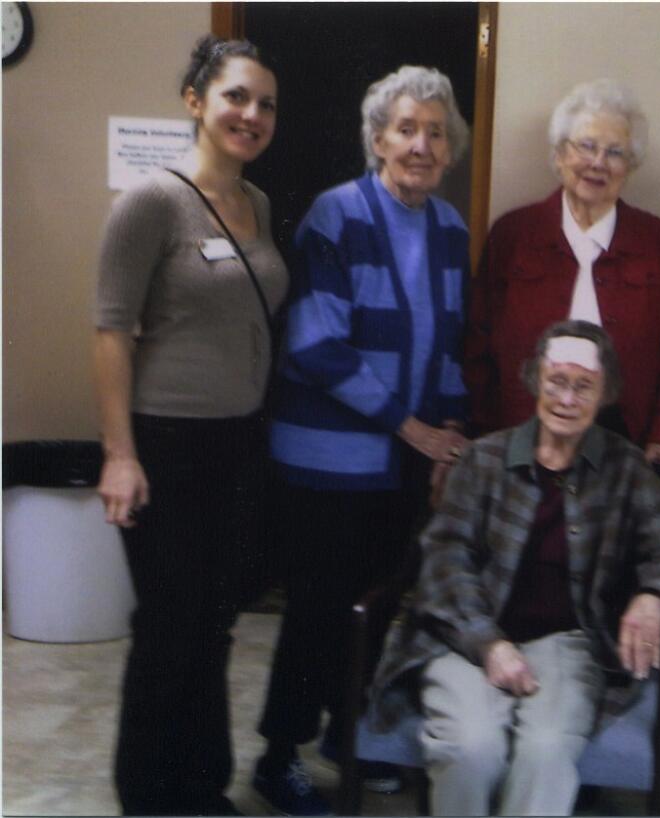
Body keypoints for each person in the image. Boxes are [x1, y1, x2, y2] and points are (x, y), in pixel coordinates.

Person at [370, 320, 660, 816]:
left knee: (546, 750)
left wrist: (653, 595)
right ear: (535, 381)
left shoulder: (625, 468)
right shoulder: (483, 460)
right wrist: (489, 643)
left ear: (605, 394)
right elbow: (444, 562)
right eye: (556, 381)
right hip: (464, 638)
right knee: (471, 748)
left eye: (583, 386)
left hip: (567, 644)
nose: (566, 399)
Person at [252, 65, 471, 815]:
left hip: (400, 466)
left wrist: (448, 437)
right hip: (326, 461)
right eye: (406, 128)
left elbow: (447, 347)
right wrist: (413, 428)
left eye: (435, 132)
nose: (421, 144)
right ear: (377, 138)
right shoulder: (334, 215)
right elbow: (315, 345)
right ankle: (279, 756)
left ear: (451, 149)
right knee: (315, 612)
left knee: (375, 609)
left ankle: (348, 737)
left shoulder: (449, 228)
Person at [94, 35, 286, 816]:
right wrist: (119, 456)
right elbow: (110, 331)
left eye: (266, 104)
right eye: (237, 96)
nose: (252, 114)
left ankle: (202, 784)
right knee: (169, 629)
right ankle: (147, 793)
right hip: (163, 444)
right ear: (195, 100)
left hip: (238, 445)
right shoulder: (150, 202)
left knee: (213, 624)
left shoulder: (260, 205)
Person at [465, 79, 660, 472]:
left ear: (631, 166)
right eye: (586, 146)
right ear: (559, 154)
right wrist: (487, 438)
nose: (598, 163)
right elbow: (478, 347)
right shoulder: (514, 235)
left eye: (615, 152)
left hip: (629, 453)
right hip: (519, 447)